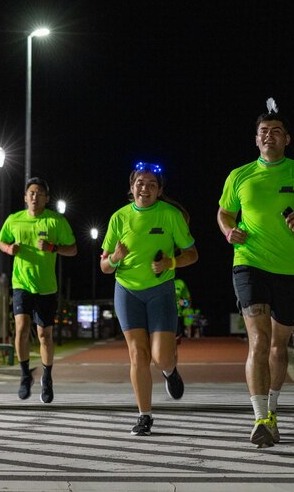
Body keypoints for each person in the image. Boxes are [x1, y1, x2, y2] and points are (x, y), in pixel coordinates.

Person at [217, 99, 294, 448]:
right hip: (248, 263)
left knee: (278, 346)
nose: (269, 136)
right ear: (256, 139)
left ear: (288, 139)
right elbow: (224, 213)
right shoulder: (239, 175)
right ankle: (259, 418)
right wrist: (228, 232)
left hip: (290, 270)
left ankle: (273, 410)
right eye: (263, 132)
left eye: (276, 131)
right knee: (258, 338)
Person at [101, 162, 198, 436]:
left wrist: (170, 262)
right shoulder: (119, 218)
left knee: (160, 356)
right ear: (132, 188)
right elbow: (104, 266)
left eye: (151, 184)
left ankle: (170, 371)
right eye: (140, 183)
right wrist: (115, 258)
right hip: (127, 291)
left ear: (159, 190)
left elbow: (192, 254)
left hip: (160, 291)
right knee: (137, 355)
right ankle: (144, 415)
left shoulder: (170, 215)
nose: (145, 188)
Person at [0, 177, 77, 404]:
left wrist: (53, 247)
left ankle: (47, 377)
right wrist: (9, 249)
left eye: (39, 193)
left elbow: (73, 250)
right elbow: (1, 241)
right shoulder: (14, 220)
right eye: (31, 193)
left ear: (47, 198)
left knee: (44, 335)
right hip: (21, 283)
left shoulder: (55, 221)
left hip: (46, 287)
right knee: (21, 328)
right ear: (25, 197)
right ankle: (24, 376)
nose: (34, 196)